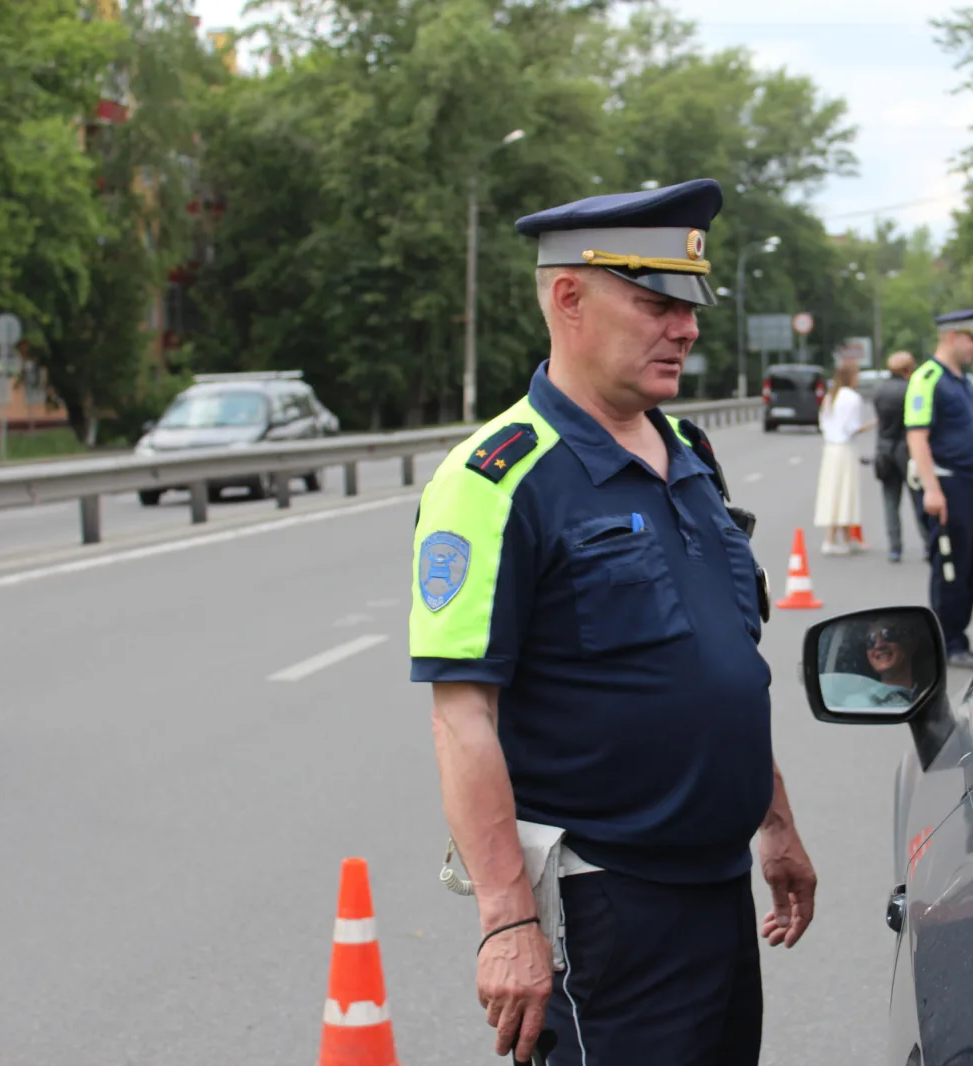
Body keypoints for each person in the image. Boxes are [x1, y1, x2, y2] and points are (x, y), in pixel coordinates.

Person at [410, 178, 817, 1066]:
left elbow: (721, 667)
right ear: (567, 297)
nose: (687, 328)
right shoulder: (494, 480)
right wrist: (508, 918)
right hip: (607, 915)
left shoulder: (691, 456)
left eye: (690, 306)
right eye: (656, 303)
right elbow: (462, 715)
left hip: (717, 897)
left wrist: (773, 823)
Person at [905, 308, 973, 669]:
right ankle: (948, 640)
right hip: (945, 482)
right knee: (951, 566)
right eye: (972, 338)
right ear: (952, 337)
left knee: (971, 565)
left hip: (969, 483)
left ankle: (959, 635)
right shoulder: (928, 378)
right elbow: (917, 437)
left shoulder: (966, 384)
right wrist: (932, 489)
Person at [813, 360, 874, 555]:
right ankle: (832, 540)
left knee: (834, 492)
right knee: (845, 492)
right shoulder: (852, 398)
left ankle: (844, 538)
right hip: (845, 450)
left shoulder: (831, 397)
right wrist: (872, 424)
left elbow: (824, 424)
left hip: (830, 449)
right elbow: (852, 428)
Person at [872, 351, 926, 563]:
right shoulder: (913, 389)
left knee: (890, 501)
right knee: (918, 498)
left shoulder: (879, 391)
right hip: (908, 451)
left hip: (884, 450)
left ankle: (895, 548)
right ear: (908, 369)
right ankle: (928, 544)